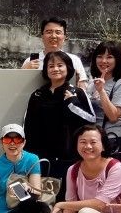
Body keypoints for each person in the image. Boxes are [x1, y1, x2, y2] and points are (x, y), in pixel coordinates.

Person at [23, 51, 95, 181]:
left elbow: (91, 120)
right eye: (51, 66)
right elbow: (28, 126)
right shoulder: (38, 94)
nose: (55, 69)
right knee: (41, 190)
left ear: (68, 68)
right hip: (41, 156)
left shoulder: (76, 92)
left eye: (60, 65)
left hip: (69, 156)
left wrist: (72, 103)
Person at [87, 41, 121, 172]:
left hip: (113, 140)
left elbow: (113, 116)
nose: (103, 61)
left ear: (117, 60)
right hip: (94, 141)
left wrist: (101, 91)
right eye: (100, 56)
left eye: (109, 57)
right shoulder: (92, 84)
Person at [21, 18, 87, 86]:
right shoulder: (30, 62)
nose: (53, 36)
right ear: (42, 36)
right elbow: (19, 87)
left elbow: (82, 87)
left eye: (58, 32)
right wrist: (23, 72)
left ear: (64, 37)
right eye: (49, 32)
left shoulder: (74, 60)